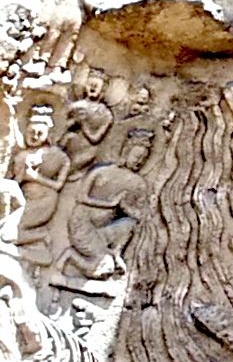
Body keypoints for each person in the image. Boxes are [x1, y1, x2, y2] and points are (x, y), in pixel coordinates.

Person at [59, 128, 154, 281]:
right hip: (83, 224)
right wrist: (110, 204)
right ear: (126, 151)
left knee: (130, 223)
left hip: (106, 232)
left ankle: (116, 252)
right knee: (104, 265)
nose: (139, 161)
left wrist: (124, 207)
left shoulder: (138, 183)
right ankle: (66, 259)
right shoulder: (101, 172)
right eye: (137, 156)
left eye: (144, 159)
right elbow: (81, 197)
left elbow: (139, 216)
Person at [8, 107, 70, 262]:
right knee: (5, 227)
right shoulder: (22, 155)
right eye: (31, 132)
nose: (34, 137)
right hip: (23, 200)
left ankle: (41, 239)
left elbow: (58, 186)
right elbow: (15, 182)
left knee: (7, 233)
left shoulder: (60, 157)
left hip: (45, 200)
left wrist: (35, 177)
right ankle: (39, 239)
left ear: (49, 134)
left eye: (39, 133)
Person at [60, 69, 113, 179]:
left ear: (103, 89)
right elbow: (61, 127)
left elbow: (95, 138)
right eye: (90, 84)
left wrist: (83, 124)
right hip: (70, 144)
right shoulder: (75, 106)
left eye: (96, 86)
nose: (92, 88)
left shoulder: (106, 114)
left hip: (88, 150)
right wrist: (73, 122)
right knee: (68, 139)